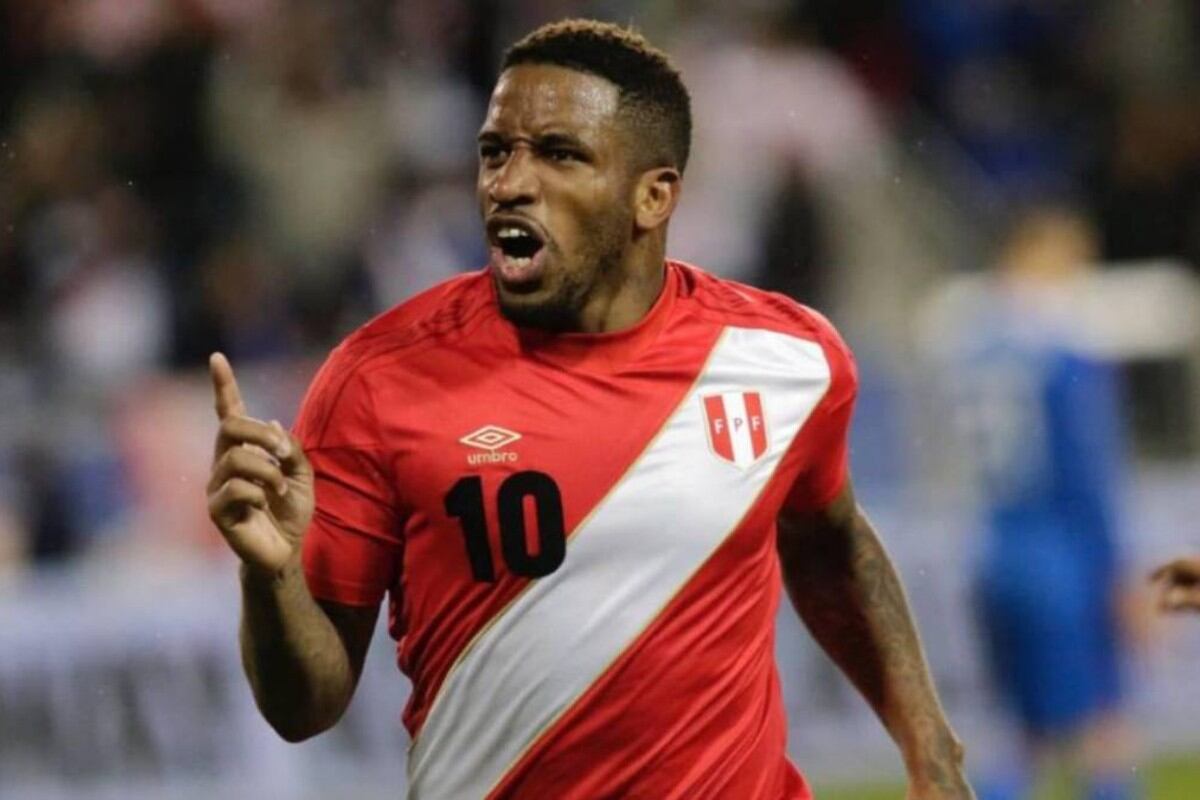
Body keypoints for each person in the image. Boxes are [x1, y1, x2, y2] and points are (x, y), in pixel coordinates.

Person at [205, 19, 972, 800]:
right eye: (496, 151)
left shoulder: (785, 360)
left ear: (653, 195)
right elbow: (303, 709)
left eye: (560, 154)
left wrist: (929, 745)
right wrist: (270, 580)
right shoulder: (378, 381)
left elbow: (829, 540)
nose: (510, 182)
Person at [931, 206, 1138, 800]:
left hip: (993, 554)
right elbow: (1086, 477)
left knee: (1025, 739)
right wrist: (1118, 574)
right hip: (1062, 560)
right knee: (1103, 733)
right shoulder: (1064, 349)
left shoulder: (971, 342)